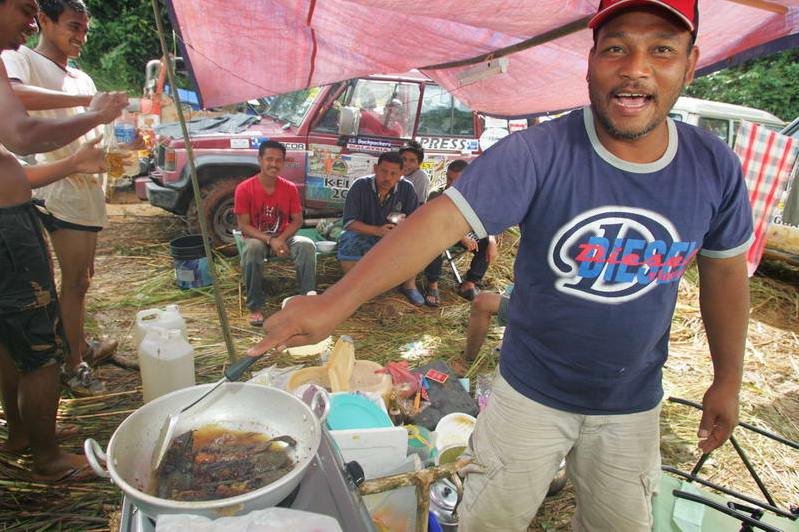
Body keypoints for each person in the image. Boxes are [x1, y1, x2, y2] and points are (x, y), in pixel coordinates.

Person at [251, 0, 752, 530]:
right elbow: (438, 224)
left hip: (634, 403)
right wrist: (333, 303)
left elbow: (725, 273)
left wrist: (728, 380)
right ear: (590, 61)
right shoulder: (538, 153)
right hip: (529, 397)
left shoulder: (713, 165)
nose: (636, 68)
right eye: (616, 49)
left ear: (690, 64)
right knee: (489, 521)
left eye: (662, 51)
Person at [0, 0, 127, 481]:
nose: (29, 20)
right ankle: (48, 453)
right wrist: (90, 116)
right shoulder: (16, 61)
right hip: (29, 208)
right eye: (26, 9)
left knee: (28, 322)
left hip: (62, 193)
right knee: (39, 335)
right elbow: (22, 130)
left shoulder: (79, 78)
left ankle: (20, 432)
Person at [235, 140, 316, 327]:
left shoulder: (289, 188)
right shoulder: (244, 188)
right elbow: (244, 226)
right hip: (257, 237)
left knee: (306, 245)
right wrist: (271, 241)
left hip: (283, 236)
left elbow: (297, 220)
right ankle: (255, 306)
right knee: (252, 250)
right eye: (269, 159)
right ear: (260, 160)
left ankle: (307, 301)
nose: (274, 164)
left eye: (279, 160)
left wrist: (280, 239)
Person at [337, 151, 424, 305]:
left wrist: (404, 225)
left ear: (401, 174)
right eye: (384, 171)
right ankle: (351, 289)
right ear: (376, 168)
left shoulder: (407, 189)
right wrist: (377, 231)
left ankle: (409, 285)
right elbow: (349, 223)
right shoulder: (360, 186)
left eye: (393, 173)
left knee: (417, 243)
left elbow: (415, 221)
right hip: (364, 233)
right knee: (348, 240)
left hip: (395, 236)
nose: (388, 177)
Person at [423, 159, 497, 306]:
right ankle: (432, 284)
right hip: (440, 233)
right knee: (434, 241)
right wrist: (461, 236)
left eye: (457, 180)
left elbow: (487, 221)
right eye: (449, 178)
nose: (451, 184)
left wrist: (492, 241)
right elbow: (435, 223)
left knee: (486, 243)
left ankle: (469, 283)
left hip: (464, 235)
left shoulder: (476, 196)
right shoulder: (437, 194)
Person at [399, 140, 430, 204]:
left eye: (412, 161)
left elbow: (419, 203)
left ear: (419, 164)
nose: (406, 164)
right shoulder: (395, 171)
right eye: (403, 159)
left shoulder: (421, 176)